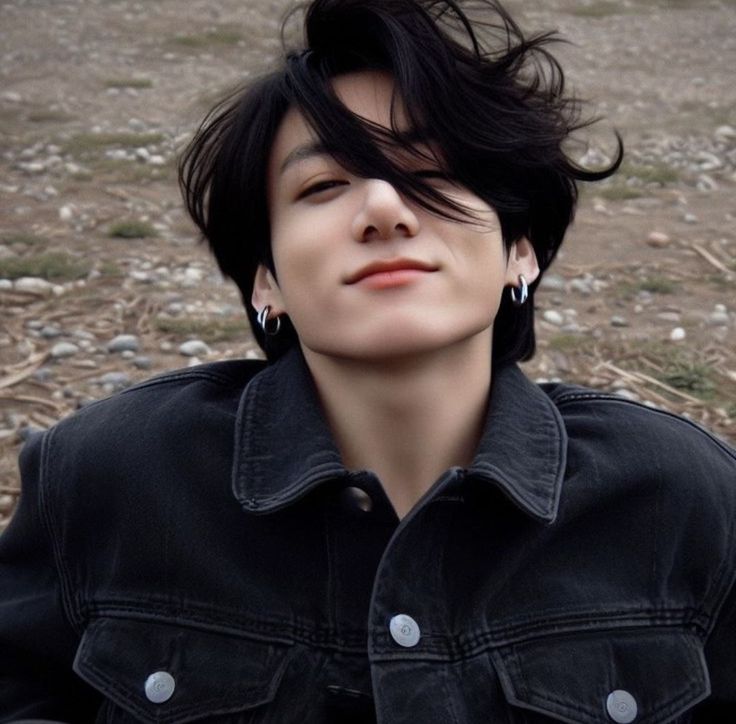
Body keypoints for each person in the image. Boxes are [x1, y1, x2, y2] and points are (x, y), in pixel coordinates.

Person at [1, 0, 734, 721]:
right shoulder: (107, 478)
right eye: (322, 185)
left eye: (433, 172)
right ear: (267, 278)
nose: (384, 207)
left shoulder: (684, 497)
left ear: (520, 249)